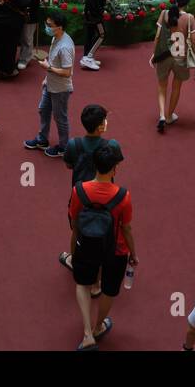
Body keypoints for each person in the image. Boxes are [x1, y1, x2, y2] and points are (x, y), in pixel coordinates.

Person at [68, 142, 134, 351]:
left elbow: (74, 220)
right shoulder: (123, 196)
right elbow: (127, 228)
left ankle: (87, 333)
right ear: (115, 168)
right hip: (115, 249)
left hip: (87, 244)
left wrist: (76, 244)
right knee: (109, 289)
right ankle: (98, 326)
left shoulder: (79, 190)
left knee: (82, 284)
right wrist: (134, 253)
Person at [24, 9, 74, 158]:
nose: (47, 27)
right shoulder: (56, 38)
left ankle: (64, 147)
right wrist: (46, 78)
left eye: (49, 25)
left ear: (59, 27)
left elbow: (67, 72)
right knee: (43, 110)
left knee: (60, 118)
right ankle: (42, 139)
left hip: (60, 89)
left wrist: (48, 68)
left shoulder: (65, 46)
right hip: (50, 85)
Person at [151, 0, 195, 133]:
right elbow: (194, 41)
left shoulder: (164, 14)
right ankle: (170, 115)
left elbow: (158, 37)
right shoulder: (189, 18)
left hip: (164, 55)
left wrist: (154, 54)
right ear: (187, 3)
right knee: (176, 86)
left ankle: (162, 115)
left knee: (162, 86)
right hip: (180, 57)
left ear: (175, 0)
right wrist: (194, 53)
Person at [63, 103, 119, 186]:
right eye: (104, 120)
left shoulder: (72, 144)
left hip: (80, 190)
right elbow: (115, 166)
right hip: (105, 189)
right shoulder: (112, 145)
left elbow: (69, 165)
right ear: (100, 126)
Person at [80, 0, 107, 70]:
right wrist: (100, 11)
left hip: (89, 13)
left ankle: (87, 56)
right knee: (102, 34)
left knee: (90, 35)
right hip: (94, 15)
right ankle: (88, 58)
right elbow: (94, 0)